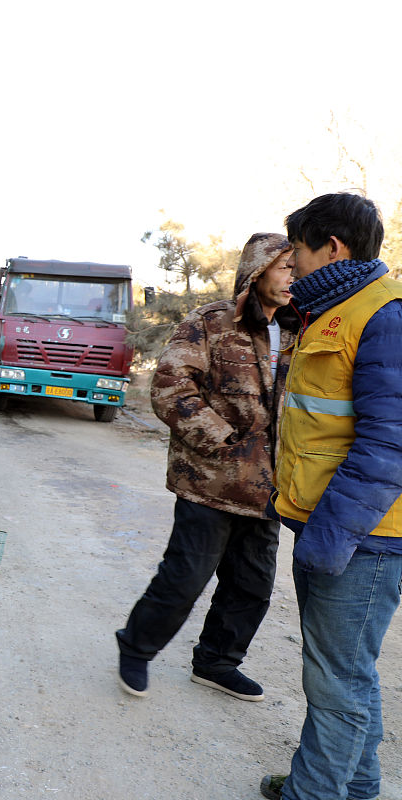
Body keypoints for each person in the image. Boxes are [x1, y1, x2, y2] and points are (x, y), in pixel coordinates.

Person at [259, 193, 402, 800]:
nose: (293, 265)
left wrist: (330, 536)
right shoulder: (334, 310)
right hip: (333, 528)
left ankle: (312, 793)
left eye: (299, 252)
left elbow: (387, 446)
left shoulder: (383, 317)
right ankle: (355, 787)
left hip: (361, 538)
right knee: (346, 675)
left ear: (334, 248)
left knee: (336, 683)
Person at [115, 232, 300, 700]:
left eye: (298, 269)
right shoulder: (213, 321)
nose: (292, 278)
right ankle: (136, 648)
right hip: (210, 481)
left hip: (269, 490)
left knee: (252, 587)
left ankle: (217, 662)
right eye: (284, 267)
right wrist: (221, 439)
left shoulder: (306, 328)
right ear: (257, 271)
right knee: (185, 577)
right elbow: (172, 386)